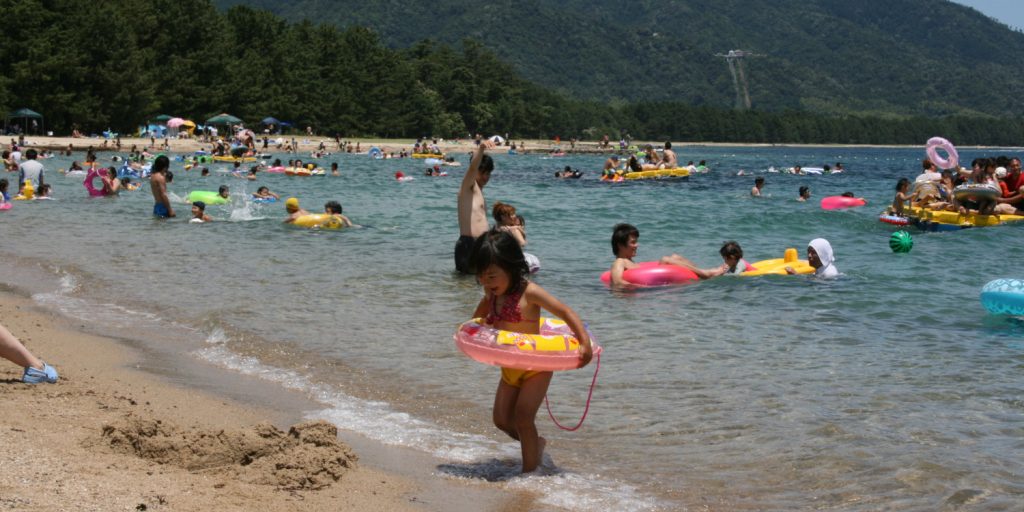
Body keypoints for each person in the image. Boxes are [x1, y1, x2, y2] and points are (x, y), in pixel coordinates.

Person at [467, 229, 593, 474]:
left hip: (536, 368)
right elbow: (476, 320)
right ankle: (535, 444)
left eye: (491, 276)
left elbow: (565, 312)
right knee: (502, 420)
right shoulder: (491, 293)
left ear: (512, 267)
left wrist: (584, 342)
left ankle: (529, 474)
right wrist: (484, 319)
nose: (486, 282)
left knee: (524, 417)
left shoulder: (530, 292)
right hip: (510, 369)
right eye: (481, 277)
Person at [455, 140, 496, 273]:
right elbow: (472, 168)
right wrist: (482, 149)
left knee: (477, 287)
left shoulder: (479, 191)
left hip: (481, 244)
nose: (486, 177)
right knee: (466, 287)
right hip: (469, 244)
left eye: (488, 173)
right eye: (483, 172)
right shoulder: (468, 186)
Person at [660, 241, 749, 279]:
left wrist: (723, 273)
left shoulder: (741, 263)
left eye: (725, 258)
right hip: (706, 272)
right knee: (675, 257)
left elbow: (736, 275)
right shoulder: (734, 263)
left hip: (706, 275)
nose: (724, 260)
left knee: (666, 259)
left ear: (732, 257)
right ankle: (675, 259)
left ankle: (671, 260)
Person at [608, 223, 641, 288]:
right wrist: (642, 287)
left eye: (636, 242)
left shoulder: (630, 262)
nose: (637, 245)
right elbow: (617, 282)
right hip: (624, 297)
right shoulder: (620, 262)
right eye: (633, 242)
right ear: (620, 245)